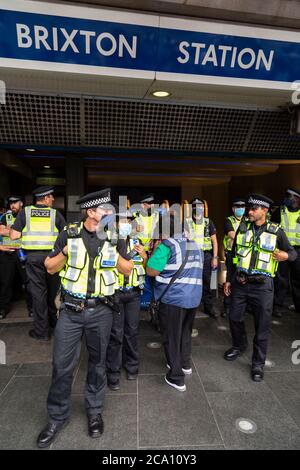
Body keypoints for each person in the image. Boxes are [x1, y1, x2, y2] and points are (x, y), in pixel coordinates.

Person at [36, 189, 133, 448]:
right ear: (91, 212)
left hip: (101, 311)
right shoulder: (69, 233)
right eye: (106, 210)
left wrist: (117, 247)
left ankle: (94, 412)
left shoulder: (114, 236)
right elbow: (49, 266)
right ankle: (57, 418)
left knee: (98, 364)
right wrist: (66, 251)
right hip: (70, 310)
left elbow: (128, 268)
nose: (111, 214)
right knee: (61, 365)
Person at [223, 194, 297, 382]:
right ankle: (239, 345)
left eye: (253, 209)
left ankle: (258, 363)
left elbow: (293, 253)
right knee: (234, 317)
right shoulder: (243, 227)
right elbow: (234, 255)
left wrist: (285, 256)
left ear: (264, 211)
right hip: (240, 282)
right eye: (249, 208)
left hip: (263, 286)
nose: (249, 211)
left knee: (262, 326)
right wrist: (229, 280)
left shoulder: (276, 231)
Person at [146, 213, 203, 392]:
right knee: (185, 332)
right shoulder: (195, 245)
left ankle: (176, 376)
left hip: (173, 299)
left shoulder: (167, 246)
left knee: (171, 336)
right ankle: (185, 364)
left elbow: (152, 271)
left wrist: (148, 256)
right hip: (193, 298)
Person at [9, 186, 66, 340]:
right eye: (51, 196)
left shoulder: (25, 213)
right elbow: (66, 235)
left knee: (38, 294)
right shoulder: (55, 214)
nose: (53, 199)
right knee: (53, 293)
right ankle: (55, 325)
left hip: (33, 259)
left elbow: (13, 236)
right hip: (53, 258)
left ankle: (42, 332)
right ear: (45, 198)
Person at [106, 211, 147, 390]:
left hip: (133, 293)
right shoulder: (109, 242)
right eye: (123, 221)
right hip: (115, 293)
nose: (126, 224)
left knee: (132, 331)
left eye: (129, 221)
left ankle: (132, 367)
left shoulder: (137, 241)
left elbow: (144, 265)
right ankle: (113, 372)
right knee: (115, 334)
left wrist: (144, 256)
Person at [185, 198, 218, 318]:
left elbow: (214, 241)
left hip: (206, 255)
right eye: (196, 206)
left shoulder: (208, 222)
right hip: (192, 256)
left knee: (208, 282)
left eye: (201, 206)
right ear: (192, 208)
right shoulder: (186, 222)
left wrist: (215, 257)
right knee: (191, 282)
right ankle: (190, 307)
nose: (199, 208)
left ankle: (209, 307)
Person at [0, 196, 32, 319]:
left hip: (23, 252)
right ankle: (2, 309)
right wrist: (17, 231)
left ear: (21, 203)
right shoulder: (4, 217)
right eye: (11, 203)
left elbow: (29, 232)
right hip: (7, 253)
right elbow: (0, 231)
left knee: (28, 282)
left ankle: (32, 308)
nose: (12, 205)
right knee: (5, 282)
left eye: (15, 203)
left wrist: (9, 230)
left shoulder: (27, 216)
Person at [271, 187, 300, 317]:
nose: (286, 198)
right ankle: (277, 307)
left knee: (298, 280)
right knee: (281, 280)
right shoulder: (280, 211)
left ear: (297, 199)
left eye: (289, 196)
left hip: (298, 251)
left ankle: (298, 306)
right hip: (282, 250)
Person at [222, 198, 246, 318]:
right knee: (230, 278)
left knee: (243, 278)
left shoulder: (247, 220)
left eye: (242, 206)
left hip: (244, 255)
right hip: (232, 254)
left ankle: (242, 306)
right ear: (233, 209)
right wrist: (246, 237)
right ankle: (227, 306)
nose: (240, 208)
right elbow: (231, 234)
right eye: (238, 206)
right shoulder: (229, 220)